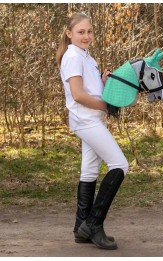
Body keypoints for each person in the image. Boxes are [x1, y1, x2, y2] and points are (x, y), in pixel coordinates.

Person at [56, 12, 129, 250]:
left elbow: (88, 88)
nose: (86, 36)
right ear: (69, 34)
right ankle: (94, 224)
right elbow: (77, 95)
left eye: (89, 31)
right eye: (81, 32)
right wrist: (106, 106)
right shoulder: (73, 56)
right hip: (86, 120)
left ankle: (80, 228)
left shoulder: (86, 56)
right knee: (120, 165)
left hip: (92, 119)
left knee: (89, 170)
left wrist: (102, 80)